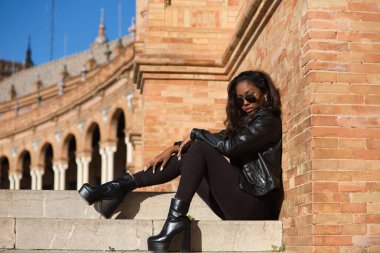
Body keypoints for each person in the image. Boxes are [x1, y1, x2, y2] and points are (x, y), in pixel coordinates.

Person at [78, 70, 284, 252]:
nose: (245, 103)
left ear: (265, 94)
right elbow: (222, 138)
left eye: (250, 96)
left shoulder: (267, 120)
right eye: (239, 100)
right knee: (193, 150)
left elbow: (231, 146)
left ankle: (174, 218)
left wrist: (196, 133)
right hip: (241, 203)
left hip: (257, 206)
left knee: (201, 145)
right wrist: (176, 147)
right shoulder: (247, 125)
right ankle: (122, 185)